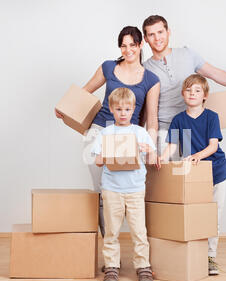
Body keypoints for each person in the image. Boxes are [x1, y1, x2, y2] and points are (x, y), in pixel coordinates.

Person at [55, 26, 160, 237]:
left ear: (140, 46)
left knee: (127, 190)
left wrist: (152, 149)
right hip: (100, 131)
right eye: (123, 45)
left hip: (129, 138)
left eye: (132, 45)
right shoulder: (108, 67)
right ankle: (108, 244)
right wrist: (64, 106)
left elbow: (152, 118)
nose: (127, 50)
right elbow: (85, 91)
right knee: (102, 190)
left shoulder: (151, 80)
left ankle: (128, 241)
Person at [141, 15, 226, 155]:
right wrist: (149, 146)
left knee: (196, 174)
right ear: (145, 39)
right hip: (165, 133)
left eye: (160, 32)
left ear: (168, 32)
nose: (157, 38)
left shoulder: (187, 54)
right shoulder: (144, 69)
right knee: (166, 175)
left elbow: (214, 73)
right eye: (151, 34)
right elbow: (148, 113)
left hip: (194, 129)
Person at [157, 74, 226, 275]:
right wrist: (162, 158)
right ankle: (194, 254)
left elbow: (213, 146)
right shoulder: (178, 120)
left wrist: (197, 155)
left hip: (216, 173)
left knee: (213, 217)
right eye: (188, 90)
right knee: (193, 216)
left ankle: (210, 257)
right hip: (193, 176)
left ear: (205, 95)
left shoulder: (211, 117)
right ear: (183, 94)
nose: (192, 94)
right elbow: (172, 145)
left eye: (197, 91)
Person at [91, 87, 157, 281]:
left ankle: (143, 265)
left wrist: (147, 151)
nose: (123, 113)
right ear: (111, 109)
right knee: (111, 231)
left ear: (133, 109)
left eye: (127, 109)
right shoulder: (106, 133)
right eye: (119, 109)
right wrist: (104, 155)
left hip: (135, 189)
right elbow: (98, 161)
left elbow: (152, 158)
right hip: (112, 189)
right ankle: (111, 266)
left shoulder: (140, 132)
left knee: (139, 231)